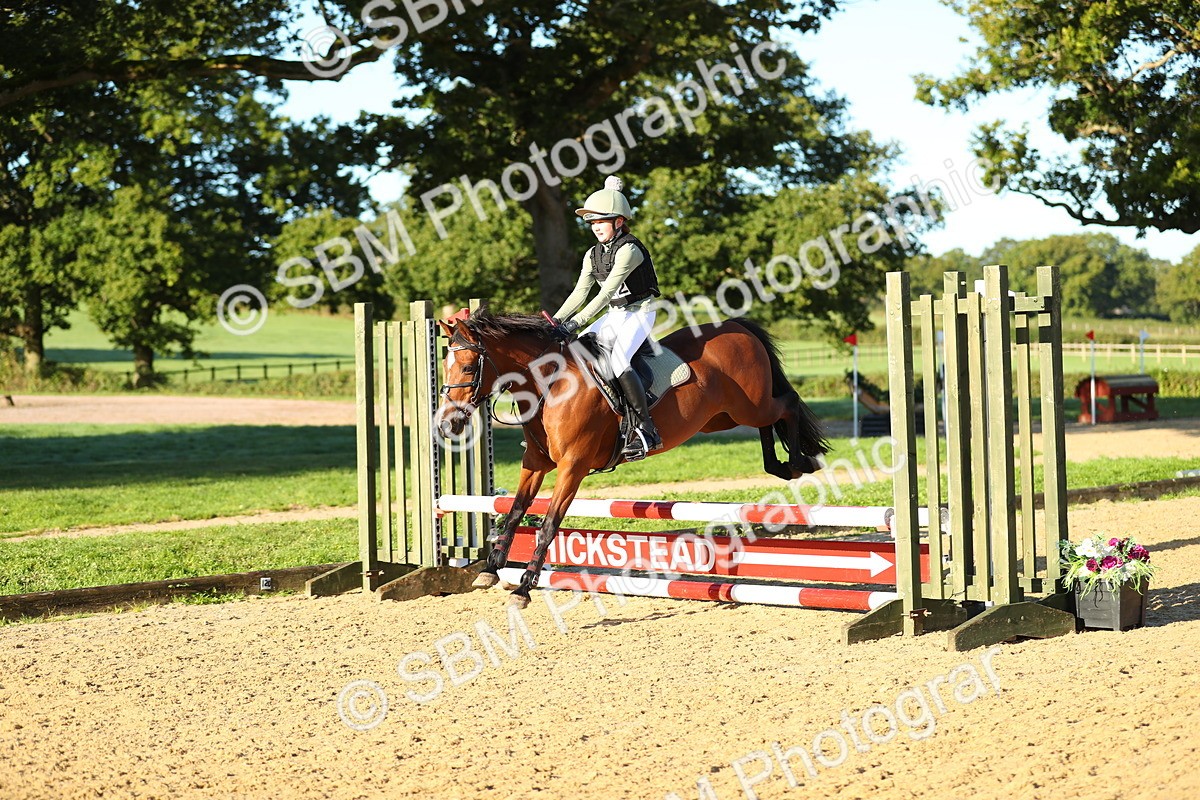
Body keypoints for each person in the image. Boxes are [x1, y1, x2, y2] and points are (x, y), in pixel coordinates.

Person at [553, 175, 663, 458]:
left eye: (601, 221)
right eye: (592, 223)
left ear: (618, 222)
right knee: (576, 350)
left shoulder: (629, 250)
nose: (595, 228)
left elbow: (603, 295)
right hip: (616, 314)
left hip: (639, 313)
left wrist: (576, 322)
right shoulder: (592, 254)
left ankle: (646, 429)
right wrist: (555, 320)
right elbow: (580, 292)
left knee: (617, 361)